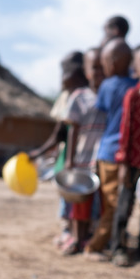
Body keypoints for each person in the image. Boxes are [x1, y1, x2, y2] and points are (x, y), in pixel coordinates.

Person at [84, 38, 137, 261]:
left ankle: (98, 245)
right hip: (128, 153)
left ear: (113, 63)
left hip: (108, 153)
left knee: (111, 204)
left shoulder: (107, 86)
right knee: (120, 203)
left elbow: (103, 109)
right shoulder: (136, 86)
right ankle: (98, 246)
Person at [109, 44, 140, 268]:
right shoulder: (133, 95)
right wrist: (123, 163)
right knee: (125, 206)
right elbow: (126, 129)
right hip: (132, 160)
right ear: (135, 68)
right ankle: (117, 248)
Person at [29, 52, 85, 253]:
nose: (62, 77)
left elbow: (58, 134)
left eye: (65, 71)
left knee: (73, 197)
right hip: (74, 157)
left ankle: (72, 234)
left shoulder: (77, 96)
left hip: (77, 157)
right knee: (72, 197)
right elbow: (59, 133)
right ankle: (71, 232)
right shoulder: (76, 96)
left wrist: (38, 153)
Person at [60, 47, 107, 255]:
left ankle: (90, 237)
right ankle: (76, 239)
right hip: (82, 158)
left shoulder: (109, 94)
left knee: (99, 202)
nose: (97, 73)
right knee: (79, 203)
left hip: (102, 158)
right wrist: (69, 159)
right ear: (86, 72)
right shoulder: (79, 96)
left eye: (101, 67)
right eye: (93, 68)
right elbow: (72, 129)